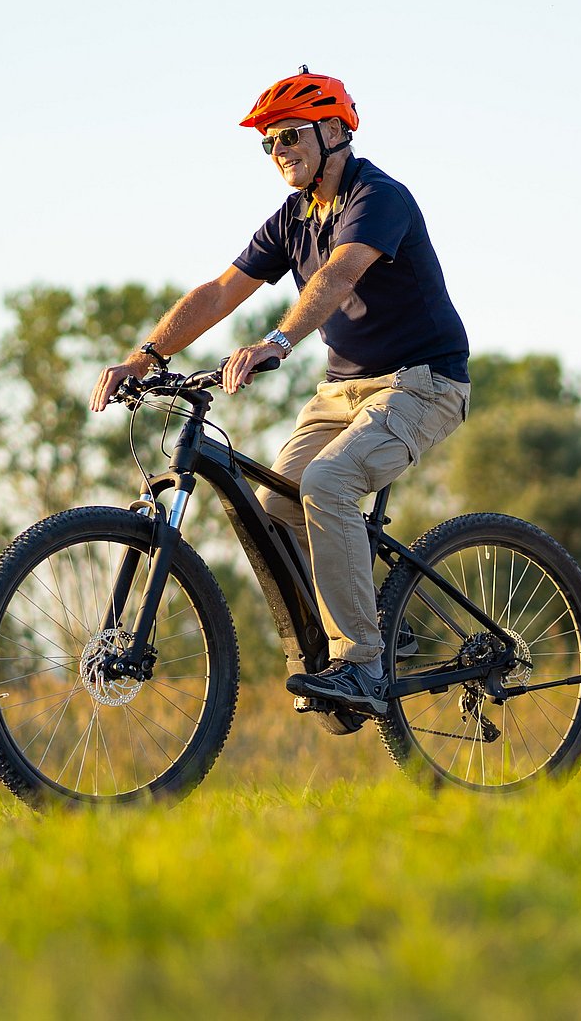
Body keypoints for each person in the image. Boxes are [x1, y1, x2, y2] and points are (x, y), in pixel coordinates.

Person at [90, 68, 470, 717]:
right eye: (268, 144)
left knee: (327, 484)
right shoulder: (293, 218)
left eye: (290, 136)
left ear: (333, 131)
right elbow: (218, 291)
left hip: (422, 382)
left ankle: (362, 661)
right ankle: (351, 635)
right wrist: (146, 355)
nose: (279, 152)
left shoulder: (378, 198)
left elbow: (339, 275)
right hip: (343, 391)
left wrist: (278, 341)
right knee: (271, 507)